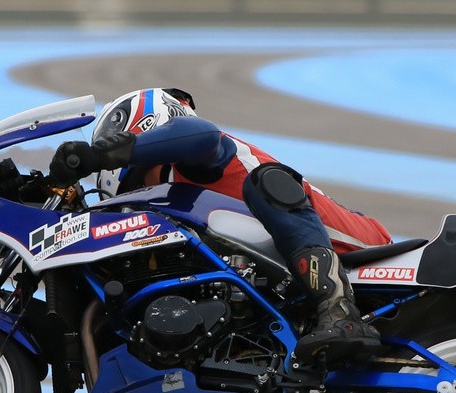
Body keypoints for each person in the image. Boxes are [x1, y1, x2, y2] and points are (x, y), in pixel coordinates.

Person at [51, 87, 390, 362]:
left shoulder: (199, 157)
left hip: (360, 247)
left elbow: (201, 135)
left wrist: (98, 155)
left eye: (139, 183)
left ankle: (339, 310)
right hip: (289, 278)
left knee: (265, 182)